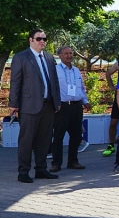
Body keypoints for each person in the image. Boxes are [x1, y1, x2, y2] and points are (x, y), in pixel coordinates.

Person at [9, 29, 61, 183]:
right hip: (29, 106)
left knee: (44, 140)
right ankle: (23, 172)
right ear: (30, 40)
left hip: (48, 105)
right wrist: (13, 104)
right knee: (26, 140)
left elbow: (55, 82)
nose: (42, 41)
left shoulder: (50, 58)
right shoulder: (21, 57)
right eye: (39, 38)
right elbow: (15, 82)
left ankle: (41, 169)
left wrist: (57, 101)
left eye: (44, 38)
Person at [50, 46, 89, 172]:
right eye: (66, 53)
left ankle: (73, 161)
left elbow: (81, 88)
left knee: (77, 136)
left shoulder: (76, 70)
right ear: (60, 56)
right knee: (59, 136)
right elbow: (52, 89)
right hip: (62, 106)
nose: (69, 55)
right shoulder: (55, 70)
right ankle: (56, 163)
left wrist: (85, 101)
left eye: (71, 53)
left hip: (76, 106)